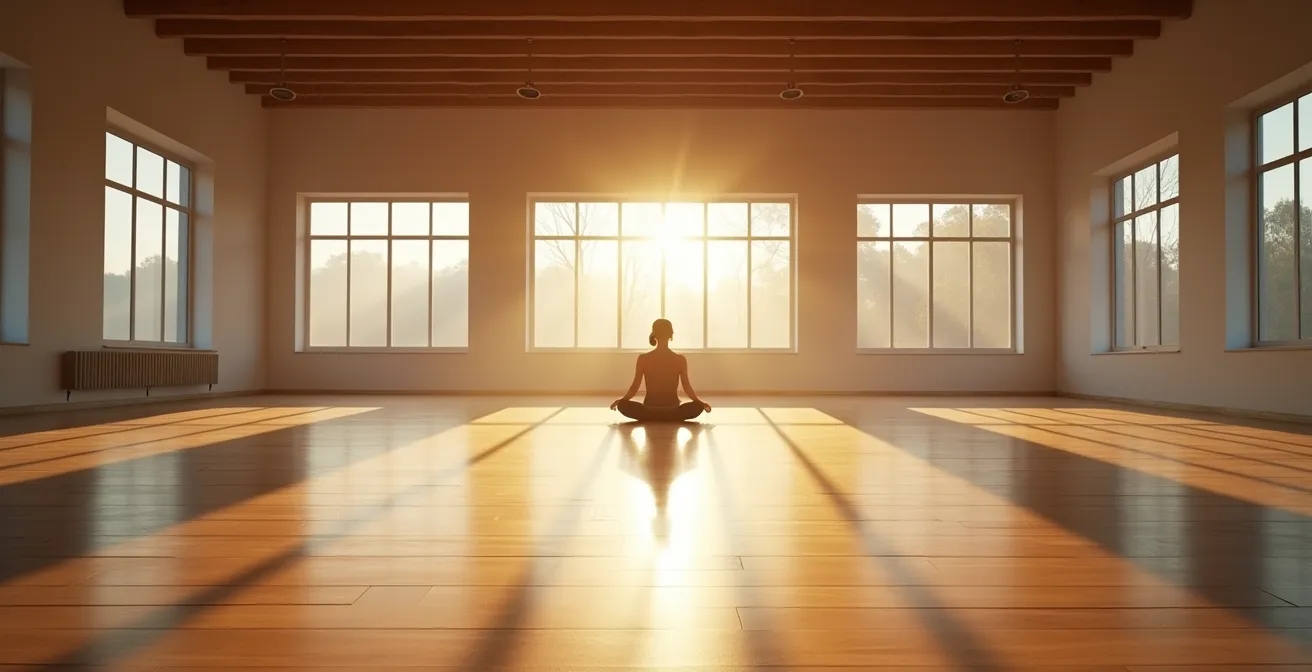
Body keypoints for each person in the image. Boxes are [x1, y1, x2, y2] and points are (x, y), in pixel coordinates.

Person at [610, 318, 712, 422]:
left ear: (654, 334)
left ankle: (653, 417)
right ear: (671, 335)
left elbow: (635, 386)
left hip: (649, 411)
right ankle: (670, 417)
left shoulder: (643, 358)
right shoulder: (680, 359)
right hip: (673, 411)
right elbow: (686, 386)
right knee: (697, 406)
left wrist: (622, 402)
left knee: (623, 405)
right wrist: (700, 403)